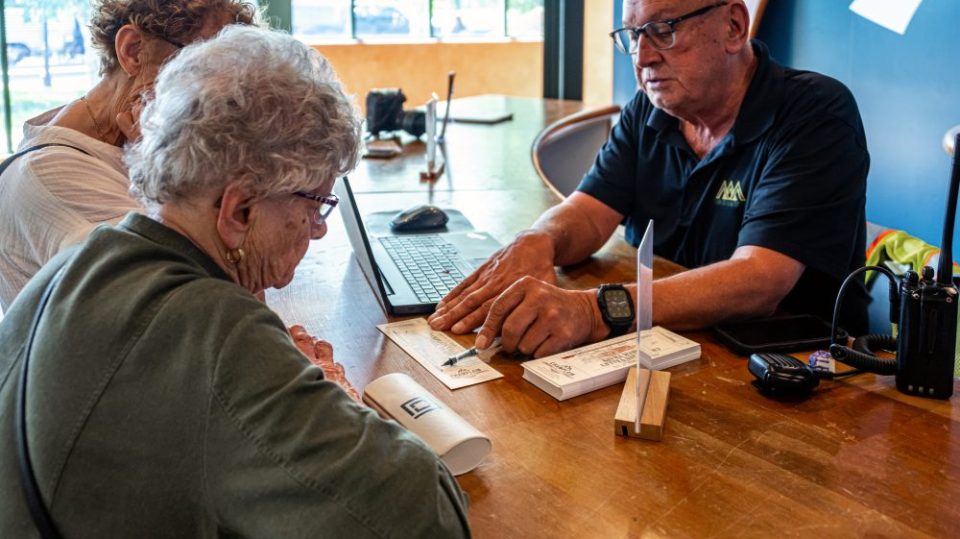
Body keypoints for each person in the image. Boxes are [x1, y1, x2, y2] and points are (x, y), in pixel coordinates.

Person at [0, 26, 470, 537]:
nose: (319, 228)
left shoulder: (75, 267)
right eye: (315, 203)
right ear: (239, 209)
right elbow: (428, 514)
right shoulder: (213, 332)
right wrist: (336, 404)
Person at [429, 0, 869, 357]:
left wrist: (595, 309)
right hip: (665, 347)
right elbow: (588, 212)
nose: (642, 57)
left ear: (734, 26)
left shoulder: (816, 113)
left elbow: (758, 281)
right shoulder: (652, 107)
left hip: (782, 375)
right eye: (633, 35)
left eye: (665, 29)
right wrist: (538, 240)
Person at [0, 0, 257, 311]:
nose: (220, 98)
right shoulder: (53, 175)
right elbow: (206, 304)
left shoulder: (123, 144)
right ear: (134, 50)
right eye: (206, 67)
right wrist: (171, 173)